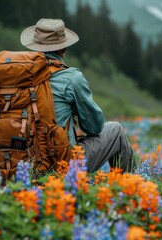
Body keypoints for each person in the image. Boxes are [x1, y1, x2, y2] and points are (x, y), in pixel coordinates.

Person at [20, 18, 137, 173]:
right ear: (63, 48)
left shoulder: (18, 77)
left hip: (20, 162)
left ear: (34, 47)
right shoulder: (71, 78)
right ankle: (129, 189)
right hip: (61, 164)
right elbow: (94, 127)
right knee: (115, 130)